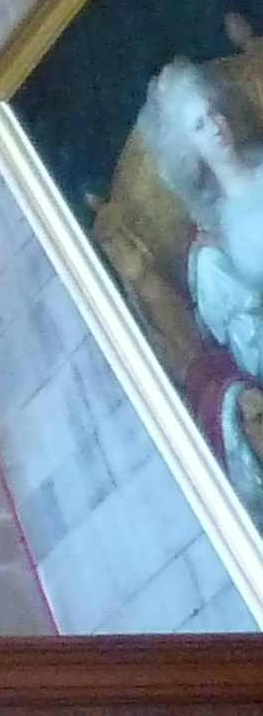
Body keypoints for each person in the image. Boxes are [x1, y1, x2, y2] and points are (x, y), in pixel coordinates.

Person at [142, 51, 263, 527]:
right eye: (198, 125)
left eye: (213, 112)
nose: (215, 127)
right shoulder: (210, 245)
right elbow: (252, 347)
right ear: (187, 149)